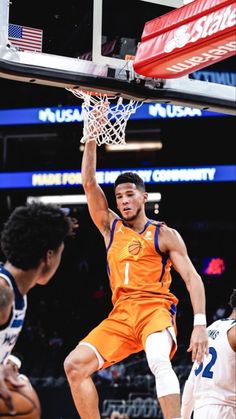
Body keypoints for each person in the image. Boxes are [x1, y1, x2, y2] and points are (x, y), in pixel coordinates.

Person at [64, 136, 208, 419]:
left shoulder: (164, 234)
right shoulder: (110, 227)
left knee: (157, 359)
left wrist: (200, 323)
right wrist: (91, 138)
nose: (124, 200)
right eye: (119, 197)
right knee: (74, 365)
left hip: (155, 310)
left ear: (144, 197)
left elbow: (192, 278)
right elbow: (89, 183)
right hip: (121, 314)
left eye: (130, 194)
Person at [0, 202, 76, 414]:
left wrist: (7, 363)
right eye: (61, 251)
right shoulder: (3, 291)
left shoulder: (15, 292)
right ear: (49, 256)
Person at [181, 289, 236, 419]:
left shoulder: (209, 329)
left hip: (201, 410)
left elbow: (191, 383)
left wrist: (184, 416)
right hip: (226, 410)